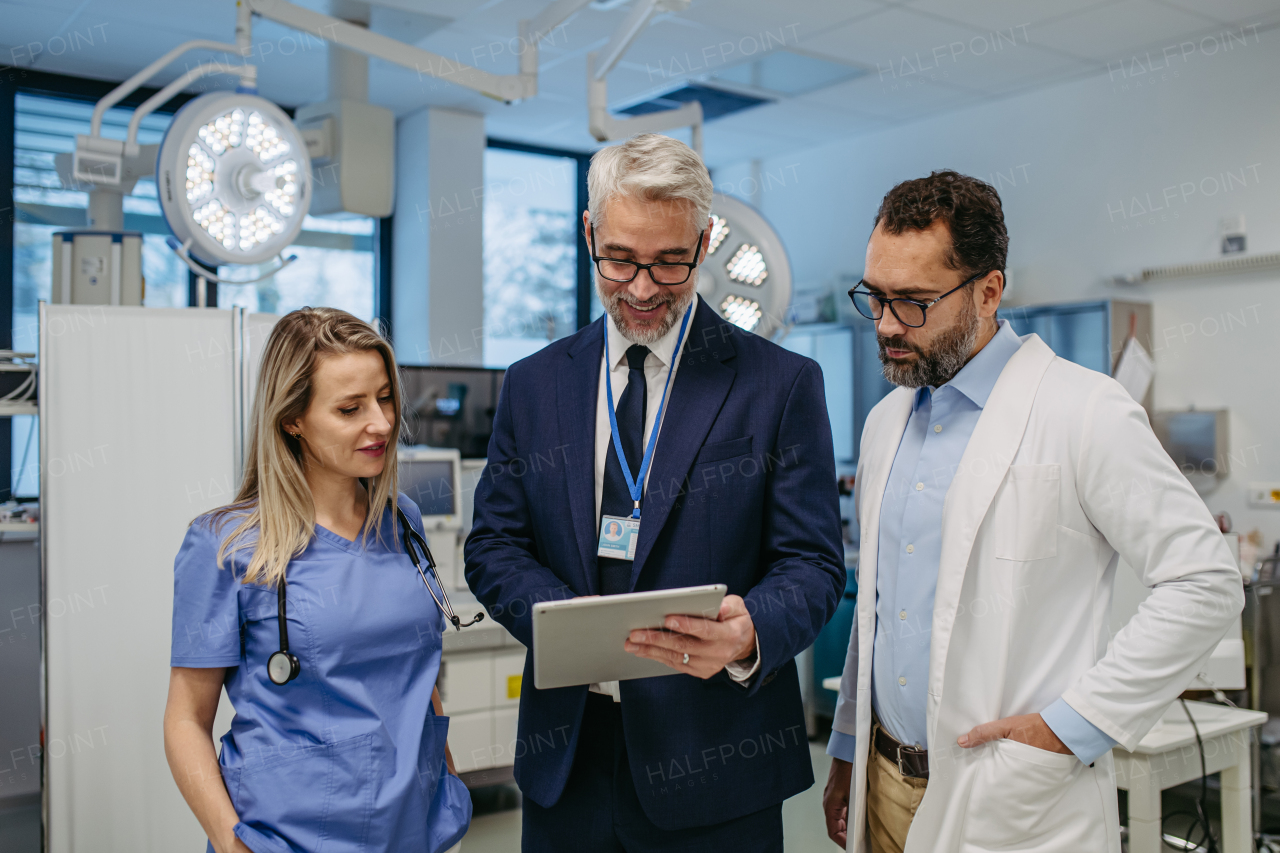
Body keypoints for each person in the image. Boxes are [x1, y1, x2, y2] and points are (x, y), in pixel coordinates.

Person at [821, 171, 1244, 853]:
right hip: (884, 781)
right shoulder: (884, 422)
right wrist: (847, 745)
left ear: (989, 291)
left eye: (914, 302)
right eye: (874, 297)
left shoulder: (1085, 411)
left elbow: (1205, 581)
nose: (887, 325)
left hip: (1010, 795)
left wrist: (1073, 725)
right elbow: (878, 609)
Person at [465, 133, 845, 851]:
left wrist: (750, 631)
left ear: (705, 243)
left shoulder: (780, 384)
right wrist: (561, 623)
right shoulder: (535, 383)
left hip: (718, 766)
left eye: (670, 261)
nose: (641, 288)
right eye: (619, 258)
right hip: (568, 763)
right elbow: (493, 544)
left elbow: (814, 564)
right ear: (588, 234)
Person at [163, 307, 471, 853]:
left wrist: (444, 783)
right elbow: (186, 719)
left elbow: (416, 676)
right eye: (350, 408)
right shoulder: (226, 545)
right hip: (288, 835)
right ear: (292, 419)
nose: (381, 423)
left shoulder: (401, 520)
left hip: (416, 827)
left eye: (384, 397)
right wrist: (231, 842)